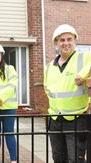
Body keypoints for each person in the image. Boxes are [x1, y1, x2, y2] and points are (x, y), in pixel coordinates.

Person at [44, 24, 91, 163]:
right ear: (56, 44)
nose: (66, 43)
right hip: (55, 119)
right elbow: (48, 89)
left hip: (76, 119)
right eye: (62, 40)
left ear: (75, 41)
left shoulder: (84, 58)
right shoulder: (48, 67)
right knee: (58, 158)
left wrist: (83, 74)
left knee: (75, 159)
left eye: (69, 39)